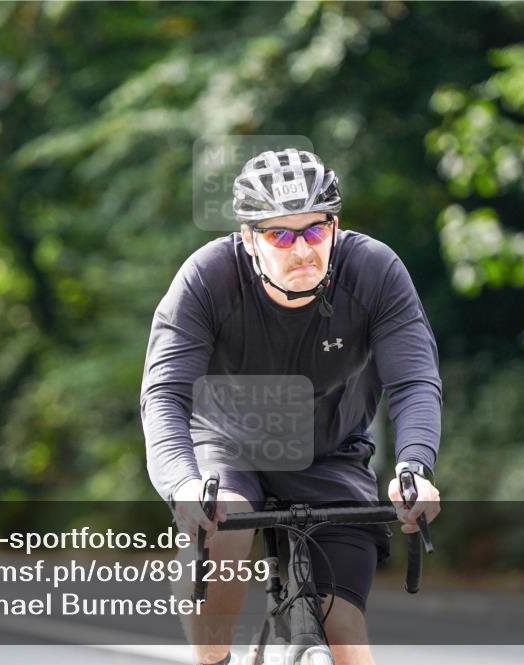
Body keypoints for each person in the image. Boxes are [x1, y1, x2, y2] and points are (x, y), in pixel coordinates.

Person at [141, 148, 443, 665]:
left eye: (314, 230)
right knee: (222, 520)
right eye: (280, 234)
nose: (301, 248)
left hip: (331, 451)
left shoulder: (374, 271)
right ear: (249, 240)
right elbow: (164, 395)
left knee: (344, 633)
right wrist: (185, 486)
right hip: (226, 448)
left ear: (335, 226)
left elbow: (415, 380)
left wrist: (415, 466)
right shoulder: (206, 279)